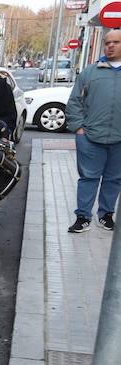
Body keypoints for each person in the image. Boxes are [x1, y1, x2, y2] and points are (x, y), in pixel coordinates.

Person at [65, 28, 121, 232]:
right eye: (107, 43)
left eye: (116, 42)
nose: (111, 46)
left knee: (114, 179)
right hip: (90, 138)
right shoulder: (90, 72)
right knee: (88, 178)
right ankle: (83, 217)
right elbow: (74, 102)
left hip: (119, 140)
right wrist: (79, 129)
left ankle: (106, 215)